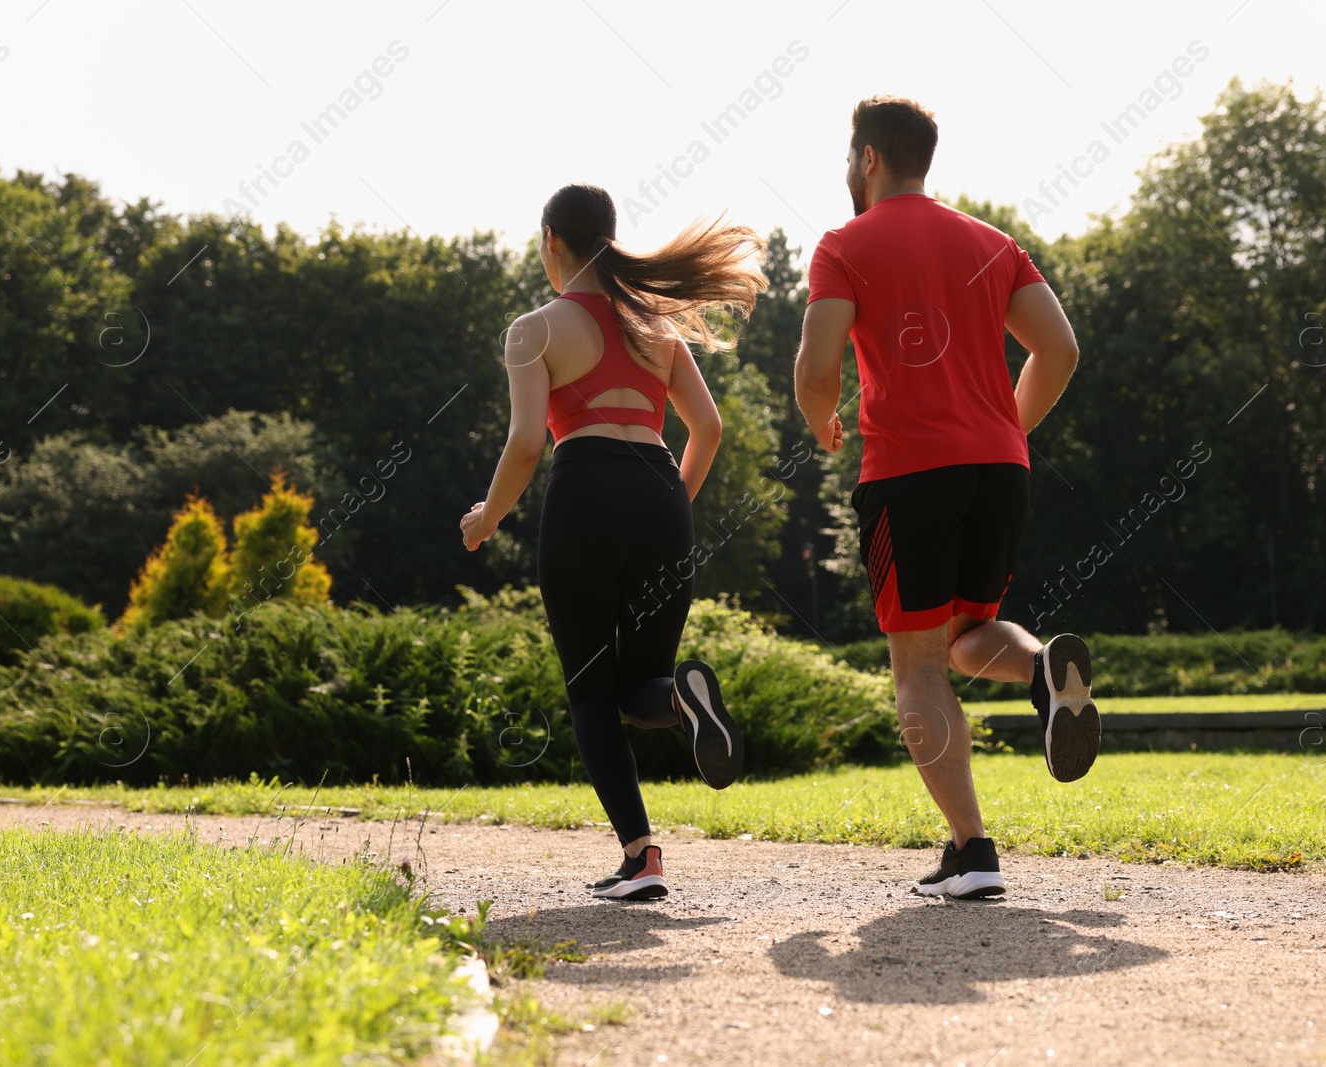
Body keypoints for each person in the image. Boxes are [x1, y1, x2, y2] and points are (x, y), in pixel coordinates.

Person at [794, 97, 1099, 901]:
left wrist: (817, 414)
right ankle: (1043, 671)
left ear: (867, 160)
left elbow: (817, 362)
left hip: (907, 474)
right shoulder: (993, 243)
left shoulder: (843, 245)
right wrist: (1005, 425)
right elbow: (1060, 349)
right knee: (967, 636)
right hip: (1001, 470)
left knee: (916, 665)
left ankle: (971, 849)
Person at [461, 184, 766, 900]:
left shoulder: (535, 328)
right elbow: (709, 428)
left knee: (593, 694)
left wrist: (488, 518)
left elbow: (527, 443)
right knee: (643, 689)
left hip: (586, 496)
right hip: (662, 493)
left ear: (551, 243)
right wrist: (669, 509)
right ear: (610, 234)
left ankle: (641, 854)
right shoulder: (653, 324)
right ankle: (689, 706)